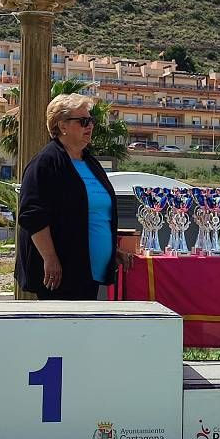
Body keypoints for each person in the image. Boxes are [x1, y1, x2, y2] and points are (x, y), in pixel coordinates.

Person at [16, 93, 133, 300]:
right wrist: (50, 258)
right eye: (83, 121)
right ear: (62, 126)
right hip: (60, 273)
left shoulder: (90, 163)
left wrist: (110, 250)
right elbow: (32, 215)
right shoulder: (46, 162)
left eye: (91, 121)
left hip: (91, 272)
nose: (90, 126)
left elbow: (94, 214)